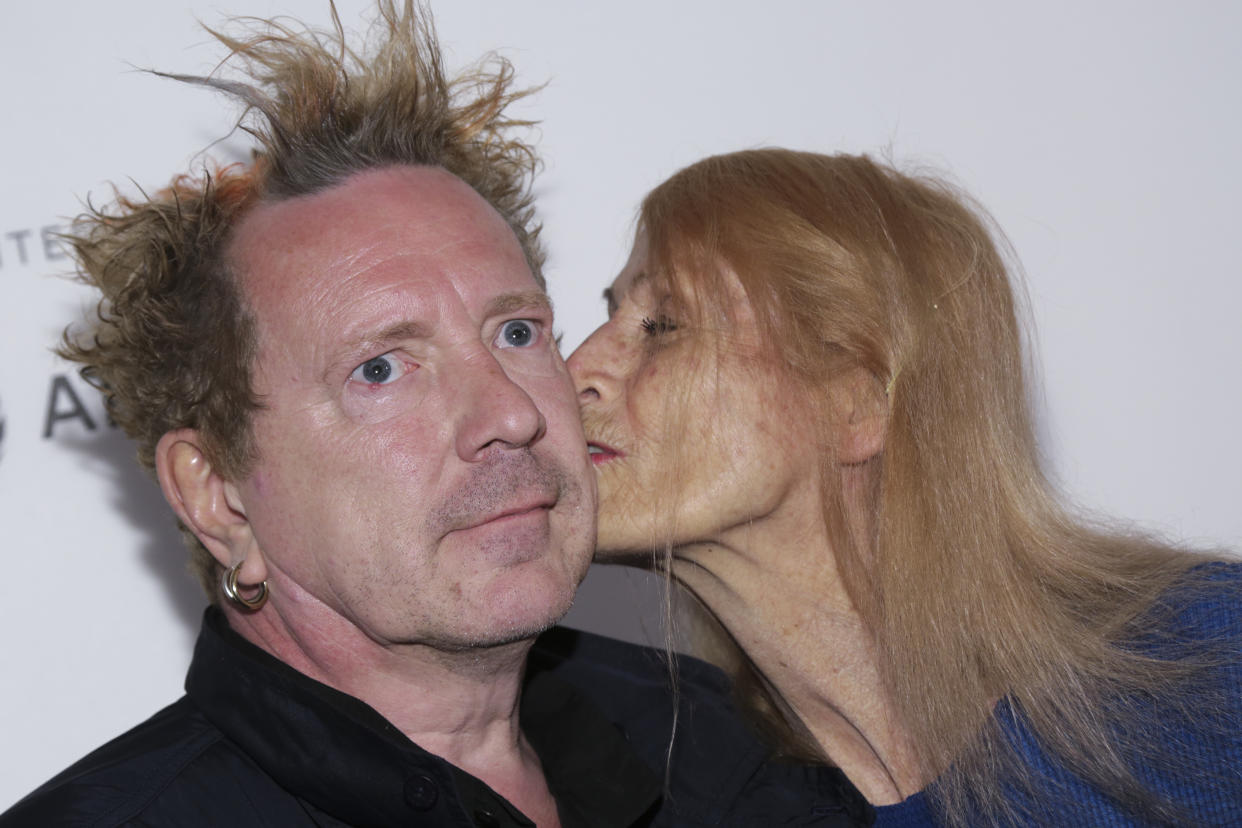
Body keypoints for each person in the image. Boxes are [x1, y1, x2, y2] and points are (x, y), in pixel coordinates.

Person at [0, 9, 873, 828]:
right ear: (220, 495)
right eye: (381, 370)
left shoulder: (732, 743)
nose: (510, 412)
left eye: (517, 332)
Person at [568, 148, 1242, 826]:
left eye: (664, 324)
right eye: (613, 313)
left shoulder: (1205, 670)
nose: (576, 369)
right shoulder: (713, 795)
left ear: (858, 402)